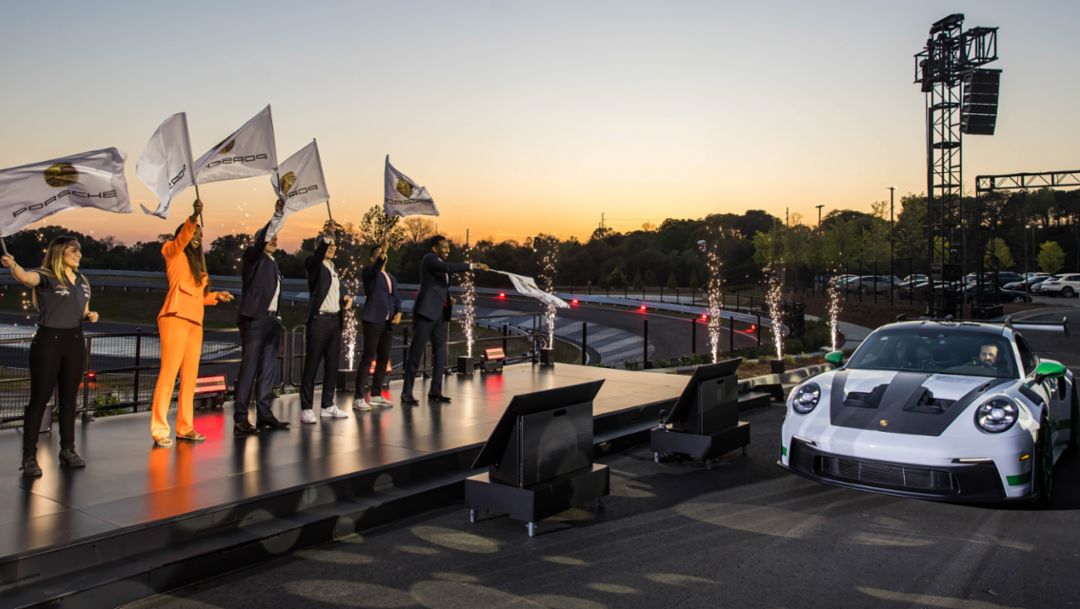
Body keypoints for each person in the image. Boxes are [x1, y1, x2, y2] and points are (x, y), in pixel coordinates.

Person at [2, 237, 98, 477]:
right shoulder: (46, 275)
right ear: (59, 253)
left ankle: (68, 450)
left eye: (79, 252)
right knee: (39, 400)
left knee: (68, 400)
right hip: (48, 342)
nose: (78, 255)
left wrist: (90, 316)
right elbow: (26, 278)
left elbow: (83, 310)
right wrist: (13, 265)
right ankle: (29, 457)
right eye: (73, 251)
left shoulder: (83, 281)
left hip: (75, 342)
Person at [149, 200, 234, 447]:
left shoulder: (198, 267)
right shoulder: (172, 252)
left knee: (190, 377)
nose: (197, 237)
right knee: (168, 375)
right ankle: (159, 429)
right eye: (193, 233)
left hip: (195, 323)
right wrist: (194, 217)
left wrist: (215, 297)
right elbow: (181, 241)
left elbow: (197, 297)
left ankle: (185, 427)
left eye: (200, 234)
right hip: (174, 318)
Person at [401, 235, 487, 405]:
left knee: (441, 354)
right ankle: (406, 393)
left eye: (449, 248)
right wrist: (472, 265)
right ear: (435, 248)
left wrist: (448, 299)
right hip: (425, 313)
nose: (448, 250)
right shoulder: (429, 259)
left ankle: (435, 391)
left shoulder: (439, 263)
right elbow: (447, 268)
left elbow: (439, 287)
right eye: (444, 247)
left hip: (439, 314)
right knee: (416, 354)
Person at [233, 199, 290, 436]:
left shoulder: (274, 265)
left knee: (268, 370)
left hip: (272, 322)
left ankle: (265, 414)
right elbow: (264, 238)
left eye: (277, 237)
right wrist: (276, 215)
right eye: (270, 237)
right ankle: (241, 418)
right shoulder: (253, 258)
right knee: (249, 369)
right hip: (255, 320)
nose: (274, 239)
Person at [299, 230, 353, 423]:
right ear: (319, 247)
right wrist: (326, 239)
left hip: (334, 320)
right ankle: (306, 407)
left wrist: (343, 299)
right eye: (328, 245)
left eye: (333, 245)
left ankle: (328, 405)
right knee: (312, 363)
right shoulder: (313, 264)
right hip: (319, 320)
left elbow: (330, 293)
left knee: (332, 365)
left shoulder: (332, 266)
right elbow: (316, 260)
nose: (332, 248)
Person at [353, 243, 402, 411]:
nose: (382, 256)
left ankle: (375, 394)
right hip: (373, 320)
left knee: (383, 359)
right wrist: (380, 260)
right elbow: (374, 271)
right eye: (378, 254)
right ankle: (358, 397)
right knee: (368, 358)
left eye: (384, 253)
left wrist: (399, 311)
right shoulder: (369, 273)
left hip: (388, 323)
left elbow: (396, 297)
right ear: (372, 258)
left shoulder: (390, 277)